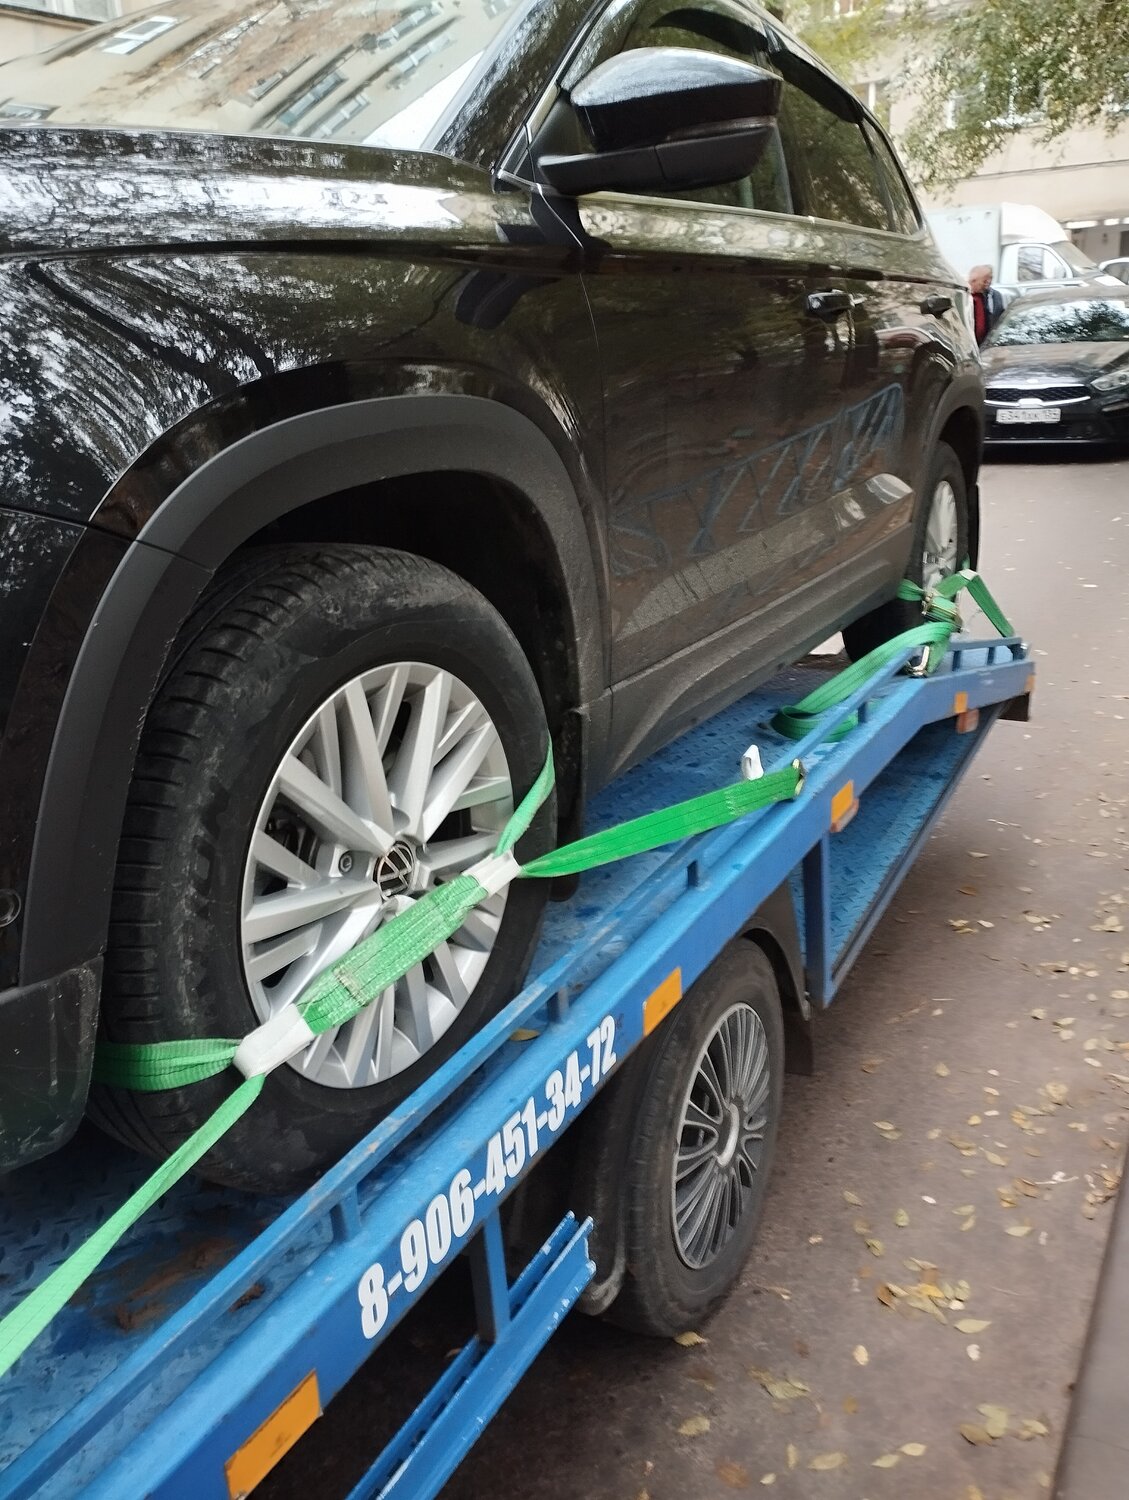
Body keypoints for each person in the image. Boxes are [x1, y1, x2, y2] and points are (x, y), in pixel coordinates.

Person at [968, 265, 1005, 346]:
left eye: (990, 278)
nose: (988, 282)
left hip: (986, 343)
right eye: (984, 281)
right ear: (973, 281)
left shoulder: (992, 296)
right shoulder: (963, 297)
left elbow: (999, 318)